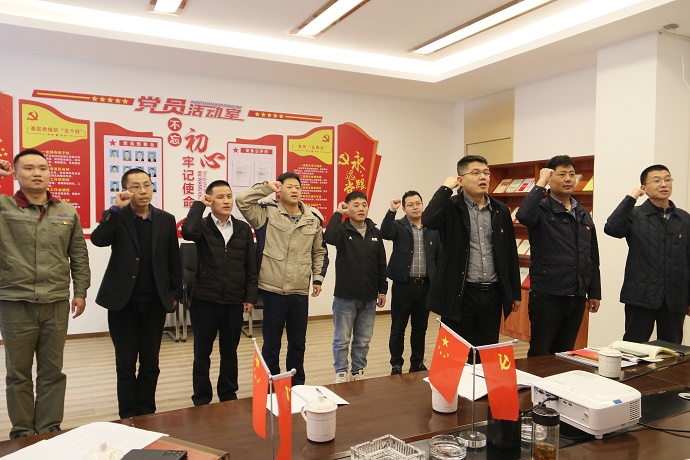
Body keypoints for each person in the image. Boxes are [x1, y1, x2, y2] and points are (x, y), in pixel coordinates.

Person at [0, 149, 90, 438]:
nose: (37, 173)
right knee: (18, 373)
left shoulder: (67, 211)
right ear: (15, 174)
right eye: (28, 168)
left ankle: (49, 428)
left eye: (42, 167)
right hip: (15, 302)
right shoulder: (4, 207)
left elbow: (78, 254)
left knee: (52, 371)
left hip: (55, 302)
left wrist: (80, 291)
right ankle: (23, 431)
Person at [91, 168, 182, 419]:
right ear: (125, 190)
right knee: (126, 363)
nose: (143, 191)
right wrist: (115, 209)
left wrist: (175, 293)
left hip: (155, 301)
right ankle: (128, 413)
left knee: (151, 362)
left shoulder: (165, 219)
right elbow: (98, 239)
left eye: (147, 185)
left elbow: (174, 258)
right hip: (123, 302)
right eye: (136, 186)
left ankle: (146, 412)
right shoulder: (116, 216)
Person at [423, 156, 521, 357]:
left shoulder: (500, 210)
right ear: (460, 180)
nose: (483, 177)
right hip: (460, 293)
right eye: (475, 173)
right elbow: (429, 220)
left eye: (486, 172)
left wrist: (515, 292)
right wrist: (445, 188)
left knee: (486, 353)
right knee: (455, 354)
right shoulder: (451, 207)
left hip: (492, 294)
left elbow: (510, 252)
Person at [236, 172, 327, 385]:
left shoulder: (313, 218)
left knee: (298, 343)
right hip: (273, 289)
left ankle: (297, 384)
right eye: (289, 186)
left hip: (299, 290)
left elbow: (319, 252)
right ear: (279, 190)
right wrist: (266, 187)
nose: (295, 190)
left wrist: (318, 278)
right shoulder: (266, 213)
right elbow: (242, 201)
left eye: (298, 187)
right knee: (271, 343)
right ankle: (271, 384)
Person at [181, 180, 258, 405]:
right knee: (202, 353)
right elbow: (187, 231)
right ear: (210, 200)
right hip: (205, 299)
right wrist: (199, 205)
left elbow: (250, 266)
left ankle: (228, 394)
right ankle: (201, 397)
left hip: (233, 300)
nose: (226, 201)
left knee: (230, 352)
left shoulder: (243, 229)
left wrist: (249, 296)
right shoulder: (202, 226)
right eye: (220, 197)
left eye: (229, 196)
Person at [516, 155, 601, 357]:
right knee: (540, 353)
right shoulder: (540, 209)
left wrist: (594, 291)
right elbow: (523, 216)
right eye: (562, 174)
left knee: (564, 354)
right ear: (550, 178)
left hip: (577, 297)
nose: (568, 179)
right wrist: (540, 182)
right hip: (548, 295)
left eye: (572, 174)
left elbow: (591, 255)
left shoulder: (582, 212)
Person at [604, 165, 690, 344]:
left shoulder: (684, 218)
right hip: (640, 296)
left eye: (667, 179)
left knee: (672, 350)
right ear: (644, 187)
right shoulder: (634, 214)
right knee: (633, 347)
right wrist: (631, 198)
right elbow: (612, 228)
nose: (664, 184)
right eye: (657, 180)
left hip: (675, 298)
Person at [324, 191, 387, 383]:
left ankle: (357, 371)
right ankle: (341, 372)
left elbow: (381, 263)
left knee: (363, 340)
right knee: (342, 339)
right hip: (345, 296)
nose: (361, 208)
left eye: (364, 205)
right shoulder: (342, 231)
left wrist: (382, 290)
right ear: (348, 208)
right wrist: (338, 214)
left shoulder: (375, 232)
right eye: (356, 205)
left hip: (369, 297)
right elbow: (329, 237)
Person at [381, 191, 440, 375]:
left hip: (425, 286)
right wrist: (391, 211)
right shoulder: (398, 226)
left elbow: (438, 256)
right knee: (398, 328)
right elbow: (385, 232)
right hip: (403, 286)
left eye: (418, 203)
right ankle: (396, 364)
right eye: (411, 204)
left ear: (423, 205)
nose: (415, 207)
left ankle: (417, 363)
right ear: (404, 208)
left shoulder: (432, 228)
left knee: (420, 329)